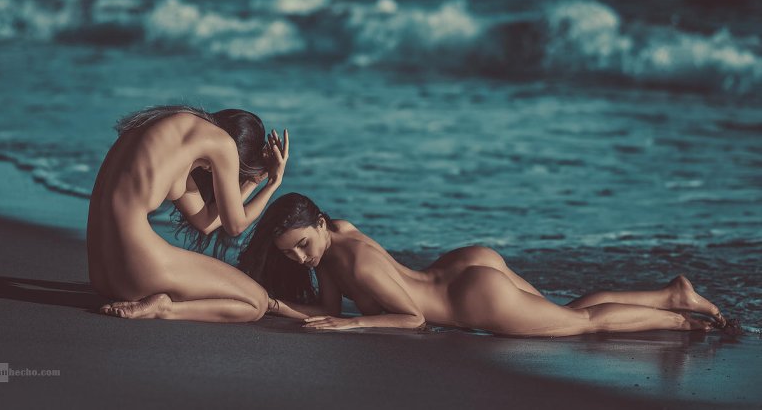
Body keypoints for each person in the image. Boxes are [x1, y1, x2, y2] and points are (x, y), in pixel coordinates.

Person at [238, 193, 727, 336]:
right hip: (462, 266)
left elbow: (413, 318)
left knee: (584, 324)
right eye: (289, 253)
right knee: (568, 311)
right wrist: (278, 305)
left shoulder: (354, 262)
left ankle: (681, 320)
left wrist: (354, 325)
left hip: (473, 298)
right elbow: (327, 308)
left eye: (302, 244)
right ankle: (670, 294)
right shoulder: (336, 236)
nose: (300, 257)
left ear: (319, 223)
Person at [89, 105, 289, 322]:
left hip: (101, 274)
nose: (211, 171)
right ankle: (166, 309)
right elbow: (235, 226)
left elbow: (206, 222)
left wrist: (254, 179)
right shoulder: (224, 143)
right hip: (134, 271)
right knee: (257, 302)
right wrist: (274, 182)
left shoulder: (169, 133)